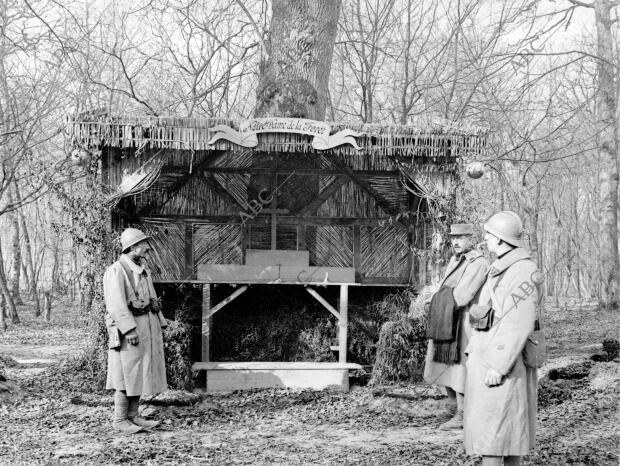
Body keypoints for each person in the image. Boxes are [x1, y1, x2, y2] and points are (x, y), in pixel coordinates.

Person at [464, 211, 540, 466]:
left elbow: (519, 323)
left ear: (499, 239)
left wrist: (498, 364)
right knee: (501, 436)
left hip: (502, 365)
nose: (484, 239)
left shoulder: (522, 270)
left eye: (488, 235)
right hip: (491, 360)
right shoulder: (504, 267)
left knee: (496, 438)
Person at [424, 223, 488, 430]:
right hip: (446, 318)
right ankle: (453, 406)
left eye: (461, 237)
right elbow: (444, 287)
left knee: (460, 367)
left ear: (472, 238)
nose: (455, 242)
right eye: (453, 238)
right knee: (442, 365)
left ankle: (462, 414)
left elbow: (462, 296)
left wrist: (436, 300)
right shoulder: (455, 260)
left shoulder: (478, 262)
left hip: (463, 322)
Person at [104, 228, 168, 434]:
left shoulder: (142, 270)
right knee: (125, 373)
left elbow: (151, 298)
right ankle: (120, 419)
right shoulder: (117, 270)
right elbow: (116, 305)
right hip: (128, 330)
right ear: (132, 248)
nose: (147, 248)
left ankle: (133, 416)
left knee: (138, 372)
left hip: (146, 327)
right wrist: (129, 330)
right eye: (143, 245)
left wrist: (160, 320)